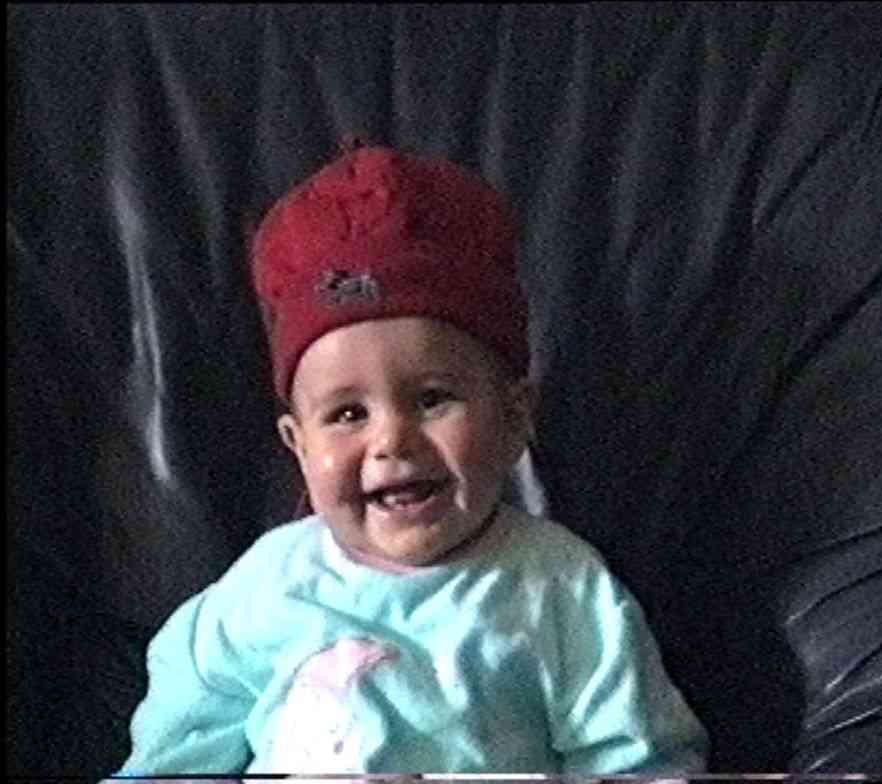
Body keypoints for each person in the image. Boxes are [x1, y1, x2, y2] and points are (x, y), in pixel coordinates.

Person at [113, 143, 709, 776]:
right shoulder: (261, 590)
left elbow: (641, 764)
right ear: (299, 445)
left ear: (514, 419)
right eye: (348, 414)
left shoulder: (563, 589)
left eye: (432, 399)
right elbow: (172, 757)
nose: (392, 440)